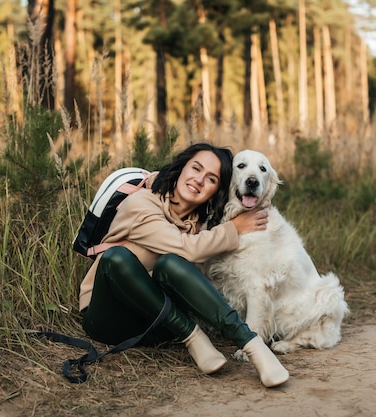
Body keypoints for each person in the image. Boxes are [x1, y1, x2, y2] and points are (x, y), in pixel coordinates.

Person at [79, 143, 289, 387]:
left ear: (217, 190)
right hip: (109, 318)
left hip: (159, 325)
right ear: (180, 168)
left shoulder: (200, 221)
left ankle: (253, 346)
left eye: (211, 179)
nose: (199, 180)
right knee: (117, 258)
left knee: (171, 264)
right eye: (195, 169)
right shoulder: (141, 204)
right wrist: (235, 228)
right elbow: (186, 247)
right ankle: (193, 337)